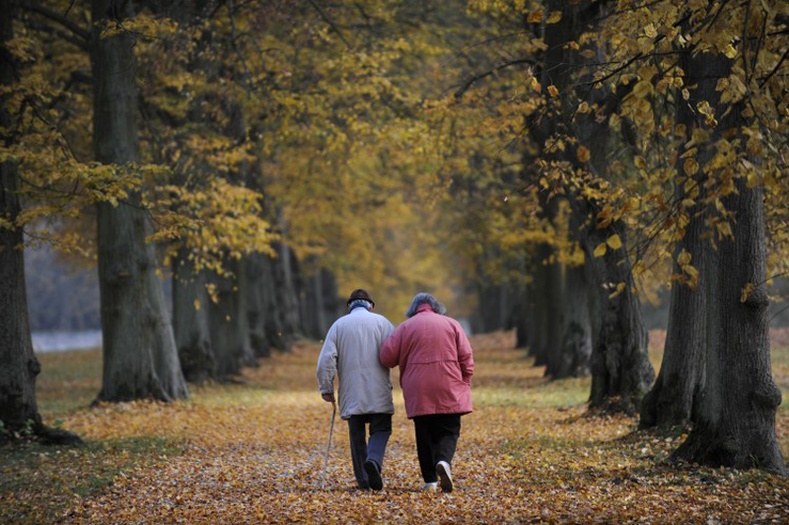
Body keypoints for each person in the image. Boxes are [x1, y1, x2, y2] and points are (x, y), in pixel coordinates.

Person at [379, 292, 474, 493]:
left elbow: (387, 358)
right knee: (449, 429)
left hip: (418, 387)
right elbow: (466, 356)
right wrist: (464, 380)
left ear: (413, 310)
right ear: (436, 307)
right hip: (448, 383)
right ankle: (443, 460)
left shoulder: (405, 328)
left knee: (424, 434)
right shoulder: (452, 324)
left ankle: (430, 481)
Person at [316, 289, 396, 491]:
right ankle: (374, 461)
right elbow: (396, 352)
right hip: (379, 389)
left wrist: (326, 387)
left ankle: (364, 481)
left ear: (349, 306)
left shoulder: (338, 325)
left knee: (357, 436)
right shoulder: (383, 323)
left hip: (352, 392)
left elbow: (326, 360)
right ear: (371, 305)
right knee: (381, 429)